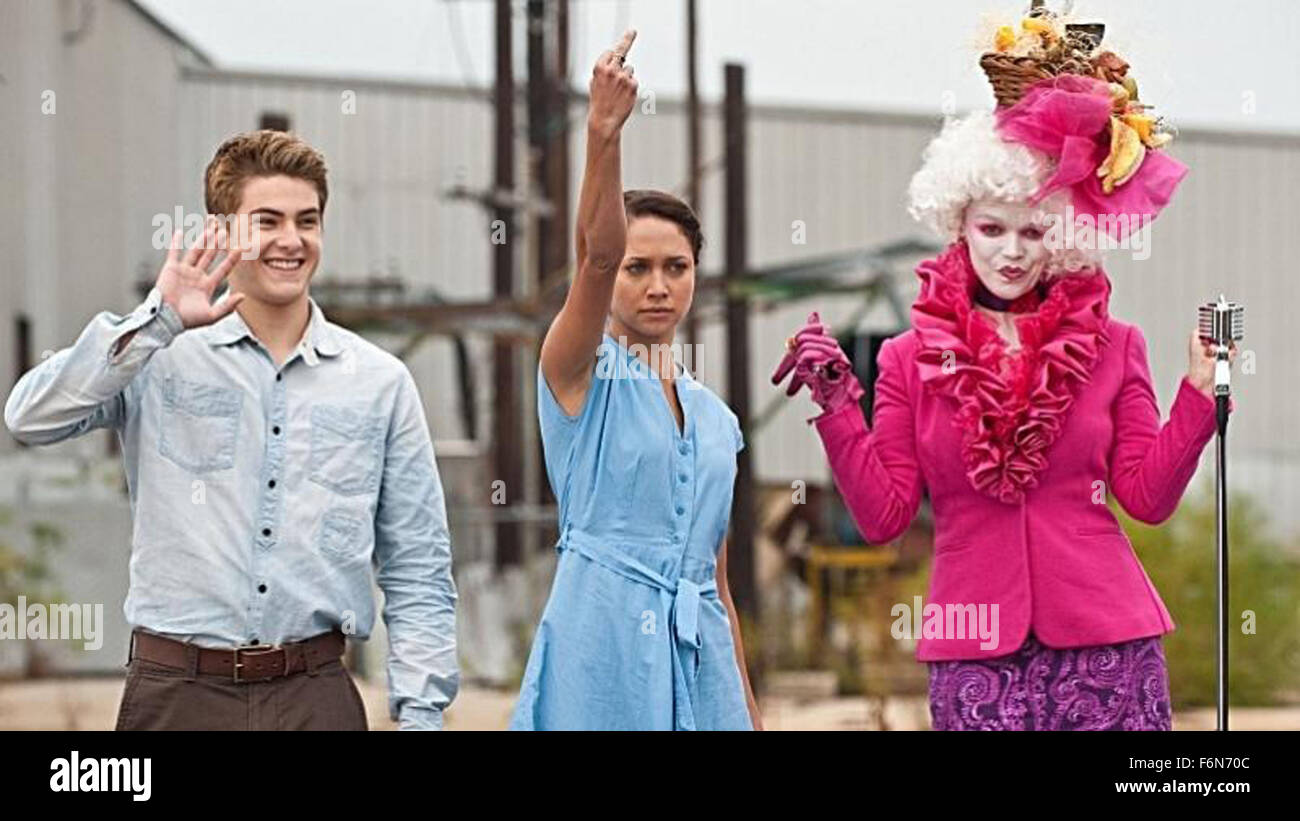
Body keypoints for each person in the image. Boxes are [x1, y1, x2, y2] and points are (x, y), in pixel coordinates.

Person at [772, 13, 1237, 730]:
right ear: (958, 225)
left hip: (1107, 640)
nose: (1012, 252)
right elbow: (883, 516)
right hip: (973, 645)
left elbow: (1146, 498)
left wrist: (1200, 395)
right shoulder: (906, 358)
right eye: (992, 228)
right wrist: (837, 404)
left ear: (1066, 234)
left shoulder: (1116, 345)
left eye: (1034, 230)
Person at [4, 130, 458, 730]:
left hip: (316, 697)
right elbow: (30, 418)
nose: (291, 240)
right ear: (222, 232)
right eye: (267, 221)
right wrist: (156, 322)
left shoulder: (380, 382)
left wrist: (421, 714)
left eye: (307, 221)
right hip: (177, 697)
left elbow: (418, 564)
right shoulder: (157, 357)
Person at [510, 30, 760, 730]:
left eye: (676, 267)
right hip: (603, 655)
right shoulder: (579, 373)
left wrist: (746, 709)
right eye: (637, 267)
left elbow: (716, 583)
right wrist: (603, 132)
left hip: (701, 666)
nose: (657, 285)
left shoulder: (718, 421)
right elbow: (595, 257)